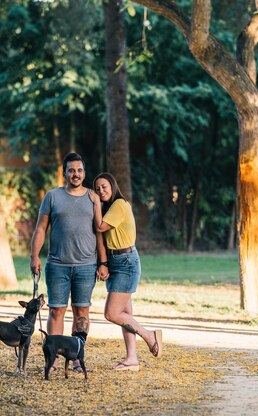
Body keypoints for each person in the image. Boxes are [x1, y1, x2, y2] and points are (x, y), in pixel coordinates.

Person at [30, 152, 108, 372]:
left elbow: (99, 231)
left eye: (80, 170)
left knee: (81, 312)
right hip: (57, 265)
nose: (76, 174)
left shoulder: (93, 197)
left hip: (86, 265)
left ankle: (76, 358)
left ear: (84, 172)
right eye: (72, 170)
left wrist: (103, 262)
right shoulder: (53, 196)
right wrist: (34, 256)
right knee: (56, 310)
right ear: (64, 172)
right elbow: (41, 228)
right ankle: (53, 360)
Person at [89, 172, 162, 371]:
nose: (100, 191)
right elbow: (101, 238)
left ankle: (149, 335)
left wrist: (95, 203)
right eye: (97, 189)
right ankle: (132, 359)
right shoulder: (109, 208)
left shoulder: (119, 205)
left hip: (126, 261)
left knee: (112, 313)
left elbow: (100, 226)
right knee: (125, 314)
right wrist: (103, 263)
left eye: (104, 187)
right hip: (115, 261)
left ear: (113, 186)